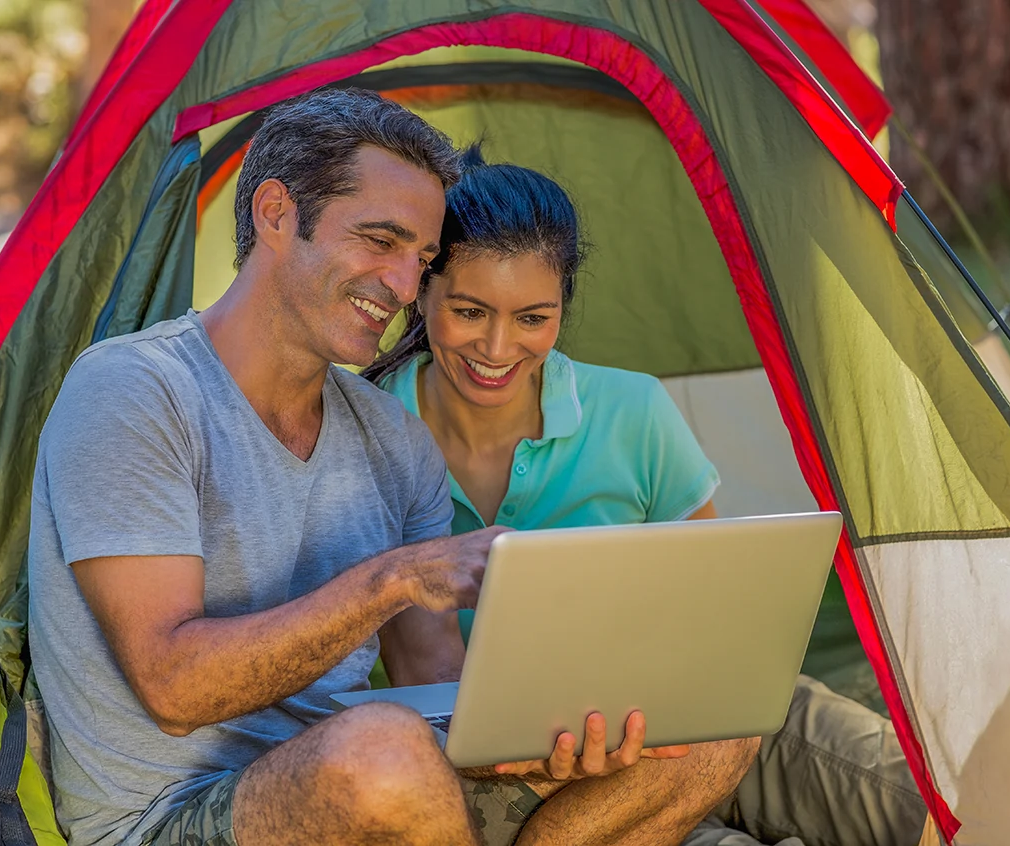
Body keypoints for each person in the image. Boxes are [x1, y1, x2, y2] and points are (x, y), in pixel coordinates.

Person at [27, 89, 758, 846]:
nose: (406, 288)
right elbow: (172, 685)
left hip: (392, 792)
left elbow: (438, 695)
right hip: (180, 814)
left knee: (710, 730)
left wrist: (559, 737)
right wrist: (396, 577)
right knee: (380, 754)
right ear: (275, 215)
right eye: (380, 241)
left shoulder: (391, 439)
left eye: (423, 259)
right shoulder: (135, 392)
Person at [367, 146, 930, 846]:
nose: (497, 346)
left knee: (920, 803)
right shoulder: (372, 436)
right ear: (422, 292)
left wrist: (687, 712)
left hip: (693, 717)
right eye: (470, 311)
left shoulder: (633, 411)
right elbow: (430, 677)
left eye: (532, 318)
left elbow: (716, 609)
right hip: (521, 772)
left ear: (562, 309)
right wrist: (558, 752)